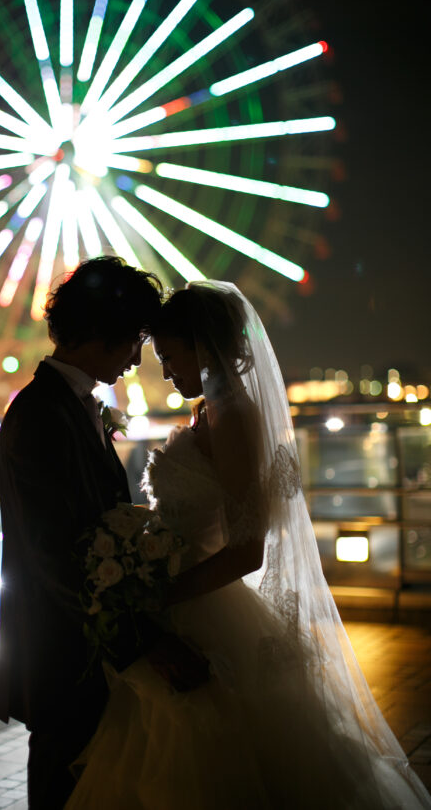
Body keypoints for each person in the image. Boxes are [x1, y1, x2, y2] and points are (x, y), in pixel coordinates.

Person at [65, 280, 431, 809]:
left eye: (170, 356)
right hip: (185, 596)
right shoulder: (211, 412)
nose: (166, 371)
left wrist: (159, 594)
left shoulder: (234, 417)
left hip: (198, 604)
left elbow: (247, 549)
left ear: (204, 346)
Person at [0, 257, 207, 810]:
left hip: (85, 648)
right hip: (62, 653)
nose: (138, 358)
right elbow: (53, 556)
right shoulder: (41, 414)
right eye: (135, 339)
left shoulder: (75, 405)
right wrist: (144, 644)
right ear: (104, 332)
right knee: (63, 786)